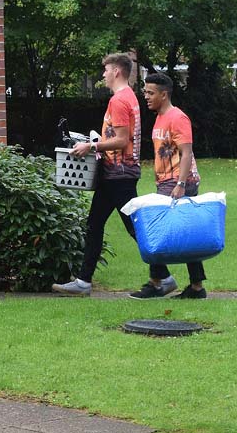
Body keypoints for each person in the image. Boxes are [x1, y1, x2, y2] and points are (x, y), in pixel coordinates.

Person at [52, 53, 145, 297]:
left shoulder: (119, 100)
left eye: (105, 70)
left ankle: (161, 276)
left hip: (119, 174)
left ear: (116, 71)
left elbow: (122, 140)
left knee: (135, 227)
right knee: (95, 224)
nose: (103, 74)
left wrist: (91, 147)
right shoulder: (128, 97)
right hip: (115, 173)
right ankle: (83, 281)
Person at [132, 72, 207, 299]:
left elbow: (186, 153)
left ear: (164, 95)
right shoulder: (160, 118)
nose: (146, 96)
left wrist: (181, 184)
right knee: (186, 232)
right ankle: (196, 287)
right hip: (167, 181)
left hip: (178, 181)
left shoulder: (178, 118)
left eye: (150, 93)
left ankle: (157, 283)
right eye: (145, 92)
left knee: (158, 230)